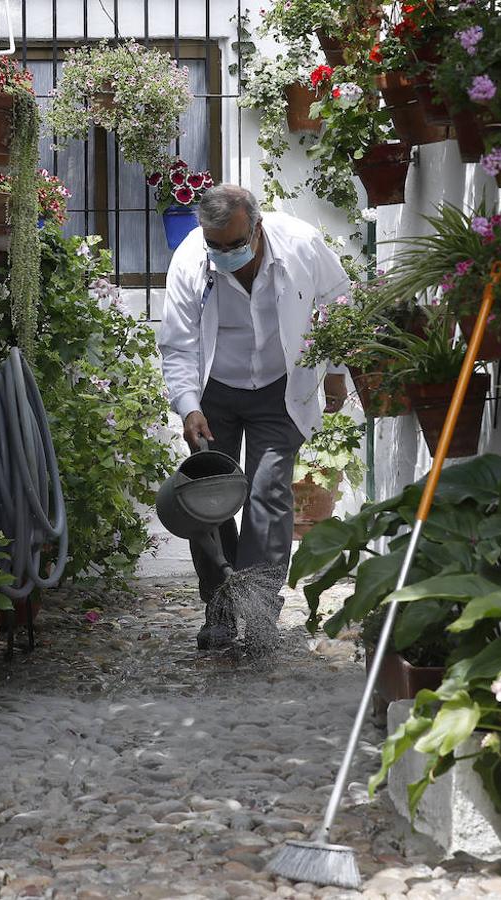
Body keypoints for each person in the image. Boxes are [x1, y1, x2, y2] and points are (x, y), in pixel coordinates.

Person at [156, 184, 350, 650]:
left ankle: (260, 610)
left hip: (281, 388)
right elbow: (178, 344)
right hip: (214, 392)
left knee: (269, 493)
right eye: (215, 246)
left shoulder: (301, 245)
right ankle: (221, 610)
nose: (224, 254)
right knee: (208, 500)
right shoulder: (189, 261)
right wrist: (189, 406)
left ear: (257, 227)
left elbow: (339, 304)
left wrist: (337, 372)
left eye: (234, 244)